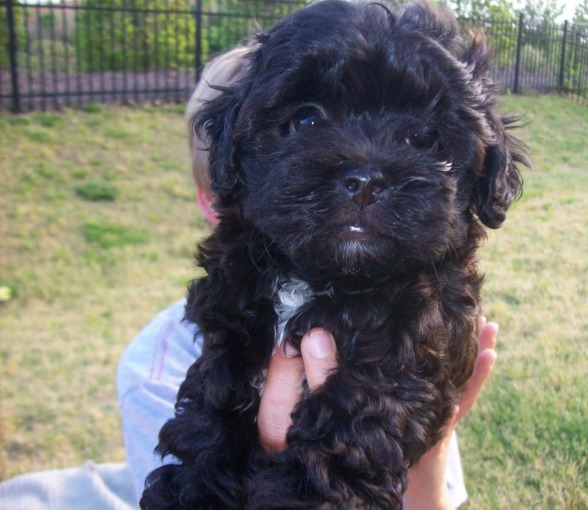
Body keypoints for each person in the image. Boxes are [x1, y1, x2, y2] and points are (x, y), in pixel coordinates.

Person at [116, 47, 500, 509]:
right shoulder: (156, 369)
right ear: (228, 168)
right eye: (307, 122)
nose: (365, 174)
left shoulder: (427, 325)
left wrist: (430, 444)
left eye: (422, 138)